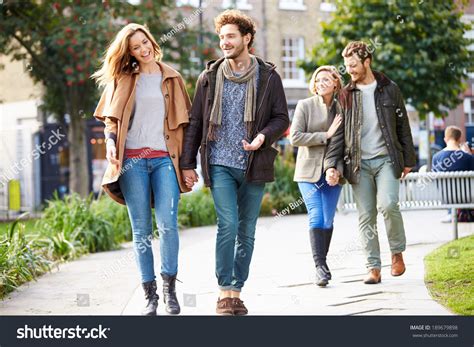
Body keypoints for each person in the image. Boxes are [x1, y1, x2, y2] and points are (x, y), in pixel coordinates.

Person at [179, 10, 289, 315]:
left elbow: (282, 118)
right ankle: (223, 292)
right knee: (227, 225)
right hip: (219, 162)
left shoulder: (268, 76)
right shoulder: (209, 77)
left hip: (254, 165)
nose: (224, 42)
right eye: (221, 37)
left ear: (246, 39)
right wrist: (188, 164)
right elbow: (196, 122)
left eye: (230, 36)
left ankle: (236, 291)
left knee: (247, 231)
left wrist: (263, 137)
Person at [92, 23, 191, 315]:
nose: (143, 49)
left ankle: (169, 291)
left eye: (144, 42)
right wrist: (111, 143)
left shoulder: (171, 77)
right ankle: (150, 297)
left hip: (164, 160)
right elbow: (111, 120)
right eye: (135, 47)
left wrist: (187, 165)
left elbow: (185, 125)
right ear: (130, 52)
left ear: (151, 40)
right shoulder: (124, 78)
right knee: (141, 231)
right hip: (132, 161)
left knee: (168, 225)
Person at [324, 41, 417, 285]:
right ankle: (373, 267)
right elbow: (338, 135)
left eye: (353, 65)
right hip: (358, 163)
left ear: (367, 62)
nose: (350, 70)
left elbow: (402, 125)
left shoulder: (390, 89)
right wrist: (331, 165)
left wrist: (408, 159)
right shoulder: (345, 95)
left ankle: (396, 253)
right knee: (366, 215)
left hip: (387, 158)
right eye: (346, 66)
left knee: (388, 205)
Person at [289, 66, 343, 287]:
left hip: (333, 173)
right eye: (317, 79)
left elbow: (345, 144)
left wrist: (337, 169)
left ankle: (323, 263)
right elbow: (295, 137)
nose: (321, 83)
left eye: (326, 79)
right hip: (308, 171)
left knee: (328, 219)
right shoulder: (305, 105)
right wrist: (326, 135)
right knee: (317, 215)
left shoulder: (343, 108)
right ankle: (319, 266)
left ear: (335, 83)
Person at [432, 126, 474, 222]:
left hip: (447, 197)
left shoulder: (436, 158)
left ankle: (452, 213)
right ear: (459, 139)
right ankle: (462, 213)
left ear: (445, 139)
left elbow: (435, 180)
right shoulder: (468, 157)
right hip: (465, 197)